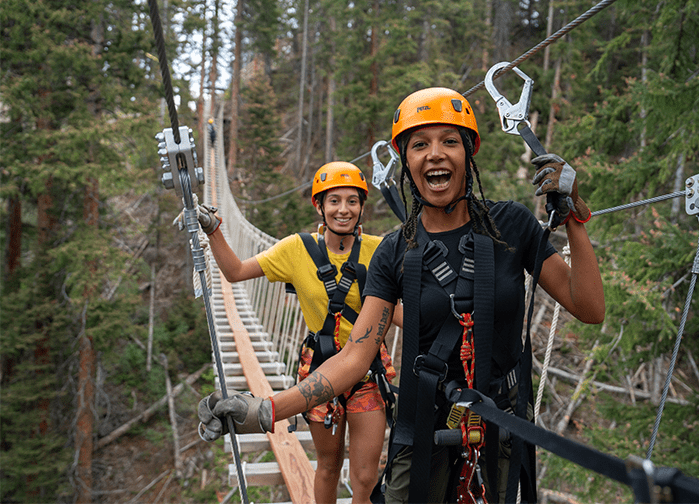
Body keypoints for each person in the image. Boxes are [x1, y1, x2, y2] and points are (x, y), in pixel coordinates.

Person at [198, 88, 605, 503]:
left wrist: (574, 215)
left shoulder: (510, 226)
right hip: (421, 422)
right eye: (419, 145)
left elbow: (588, 307)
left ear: (468, 153)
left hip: (499, 420)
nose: (435, 154)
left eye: (449, 141)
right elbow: (356, 356)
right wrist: (267, 410)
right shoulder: (394, 251)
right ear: (406, 163)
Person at [196, 162, 398, 504]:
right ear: (319, 205)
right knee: (329, 466)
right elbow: (236, 272)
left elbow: (398, 310)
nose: (343, 209)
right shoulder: (295, 250)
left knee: (366, 475)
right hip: (320, 369)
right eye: (334, 200)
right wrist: (215, 230)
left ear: (362, 206)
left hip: (368, 371)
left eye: (352, 201)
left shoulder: (382, 250)